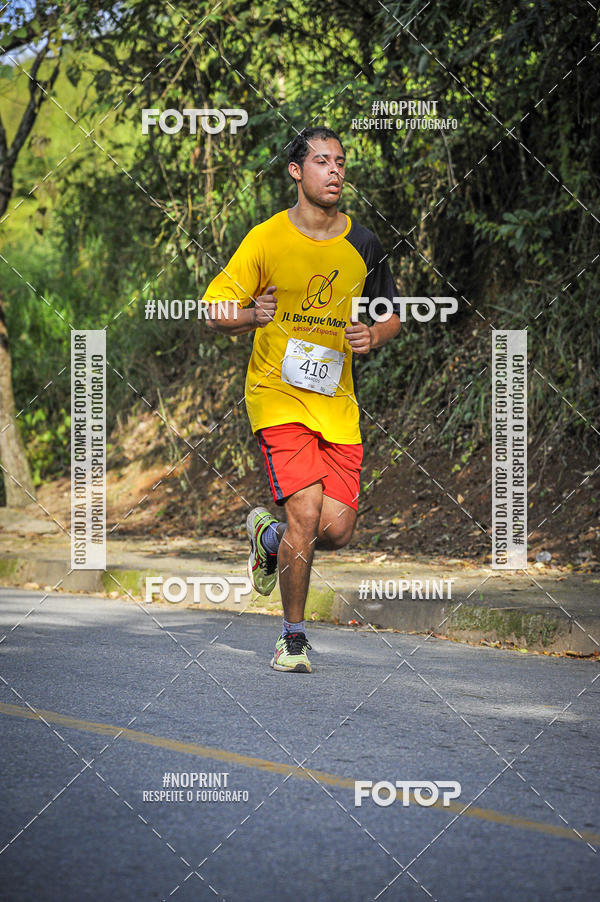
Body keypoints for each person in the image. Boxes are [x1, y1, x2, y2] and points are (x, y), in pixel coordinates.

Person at [204, 126, 401, 672]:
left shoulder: (363, 243)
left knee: (334, 529)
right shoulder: (265, 239)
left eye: (340, 162)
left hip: (337, 405)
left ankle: (267, 538)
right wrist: (250, 316)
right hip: (277, 397)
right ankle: (292, 637)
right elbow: (214, 309)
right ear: (297, 172)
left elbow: (391, 315)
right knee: (307, 509)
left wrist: (373, 335)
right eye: (322, 161)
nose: (335, 170)